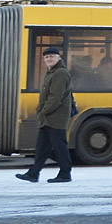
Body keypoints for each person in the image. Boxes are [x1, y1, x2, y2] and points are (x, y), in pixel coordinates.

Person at [16, 47, 73, 184]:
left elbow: (55, 97)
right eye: (46, 57)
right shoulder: (52, 72)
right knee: (42, 147)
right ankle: (33, 173)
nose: (48, 59)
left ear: (58, 58)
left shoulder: (60, 73)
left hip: (55, 117)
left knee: (59, 146)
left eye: (51, 57)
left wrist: (43, 111)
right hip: (48, 117)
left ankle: (65, 173)